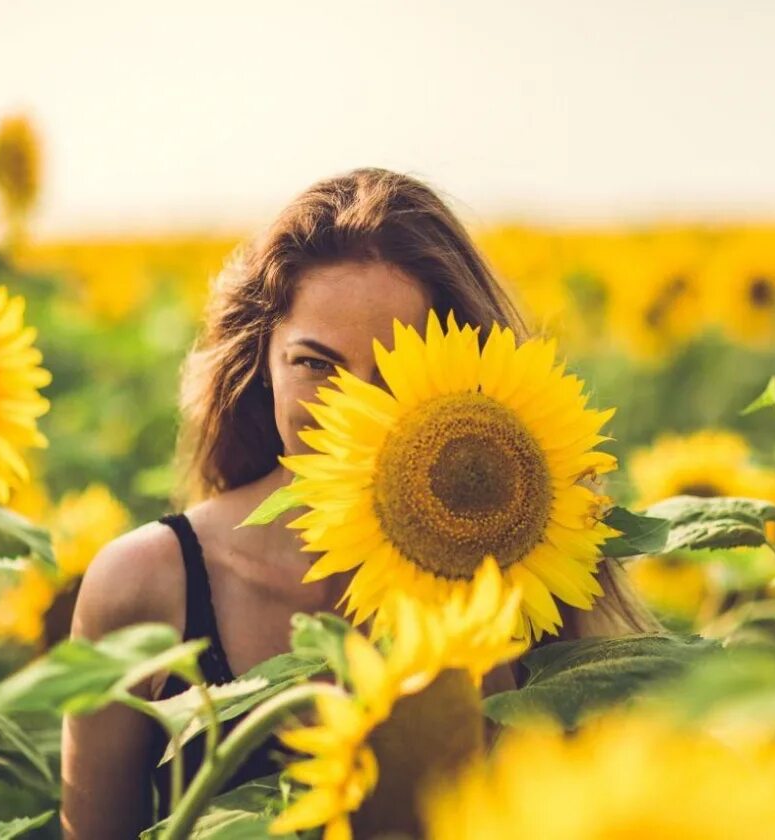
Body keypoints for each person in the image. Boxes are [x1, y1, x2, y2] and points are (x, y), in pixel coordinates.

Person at [59, 168, 659, 839]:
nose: (351, 413)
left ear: (460, 382)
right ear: (263, 358)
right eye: (316, 365)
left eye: (391, 373)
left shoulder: (514, 584)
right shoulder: (147, 585)